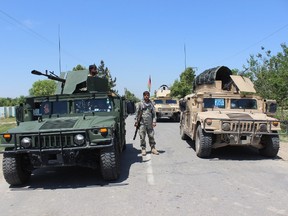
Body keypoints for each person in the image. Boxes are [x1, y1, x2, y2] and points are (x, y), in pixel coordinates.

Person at [134, 91, 159, 156]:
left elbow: (154, 114)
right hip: (142, 123)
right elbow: (136, 114)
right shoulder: (140, 104)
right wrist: (136, 122)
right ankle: (143, 149)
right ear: (143, 96)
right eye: (145, 95)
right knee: (142, 137)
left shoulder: (151, 104)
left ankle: (153, 148)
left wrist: (154, 121)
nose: (146, 96)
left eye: (148, 95)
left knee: (151, 136)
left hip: (150, 123)